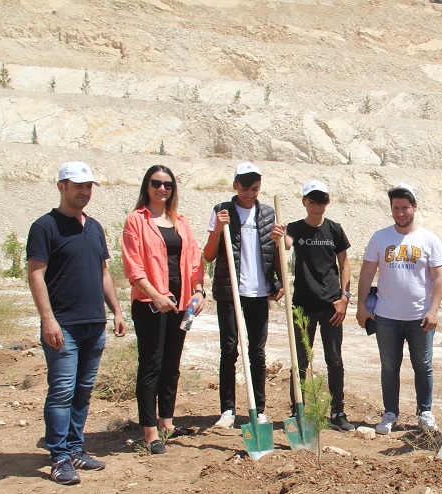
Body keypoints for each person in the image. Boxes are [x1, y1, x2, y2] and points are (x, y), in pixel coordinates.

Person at [26, 161, 126, 485]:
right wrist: (48, 319)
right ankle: (58, 458)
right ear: (61, 186)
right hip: (63, 326)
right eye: (78, 186)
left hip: (94, 324)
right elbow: (35, 274)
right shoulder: (45, 227)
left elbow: (103, 273)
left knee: (82, 391)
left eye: (89, 186)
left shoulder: (94, 227)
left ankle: (75, 450)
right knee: (62, 392)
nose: (84, 192)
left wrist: (117, 310)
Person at [121, 166, 205, 455]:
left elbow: (194, 260)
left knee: (171, 365)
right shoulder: (136, 220)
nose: (162, 189)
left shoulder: (180, 221)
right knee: (151, 365)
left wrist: (198, 290)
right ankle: (150, 431)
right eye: (156, 183)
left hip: (180, 305)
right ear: (147, 186)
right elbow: (133, 266)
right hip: (150, 305)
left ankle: (167, 422)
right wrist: (154, 295)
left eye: (167, 185)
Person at [356, 183, 442, 435]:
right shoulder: (380, 237)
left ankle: (425, 412)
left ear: (414, 207)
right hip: (386, 316)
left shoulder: (429, 239)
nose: (400, 213)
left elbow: (439, 276)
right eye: (395, 208)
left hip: (420, 317)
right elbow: (366, 273)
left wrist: (434, 310)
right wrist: (361, 306)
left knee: (423, 366)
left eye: (405, 208)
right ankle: (390, 413)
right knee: (389, 366)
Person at [203, 162, 282, 428]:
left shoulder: (268, 213)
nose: (250, 193)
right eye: (246, 188)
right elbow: (209, 255)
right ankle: (227, 410)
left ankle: (259, 409)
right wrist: (218, 228)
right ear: (235, 185)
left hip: (258, 294)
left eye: (256, 188)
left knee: (257, 352)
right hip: (230, 293)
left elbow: (278, 253)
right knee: (229, 350)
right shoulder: (221, 211)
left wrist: (279, 280)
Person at [278, 180, 354, 432]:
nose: (316, 206)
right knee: (300, 360)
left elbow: (345, 264)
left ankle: (337, 411)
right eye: (312, 201)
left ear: (327, 203)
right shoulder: (296, 229)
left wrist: (345, 298)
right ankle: (298, 410)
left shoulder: (334, 230)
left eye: (321, 201)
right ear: (304, 202)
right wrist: (279, 237)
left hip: (332, 305)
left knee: (335, 360)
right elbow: (286, 244)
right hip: (303, 305)